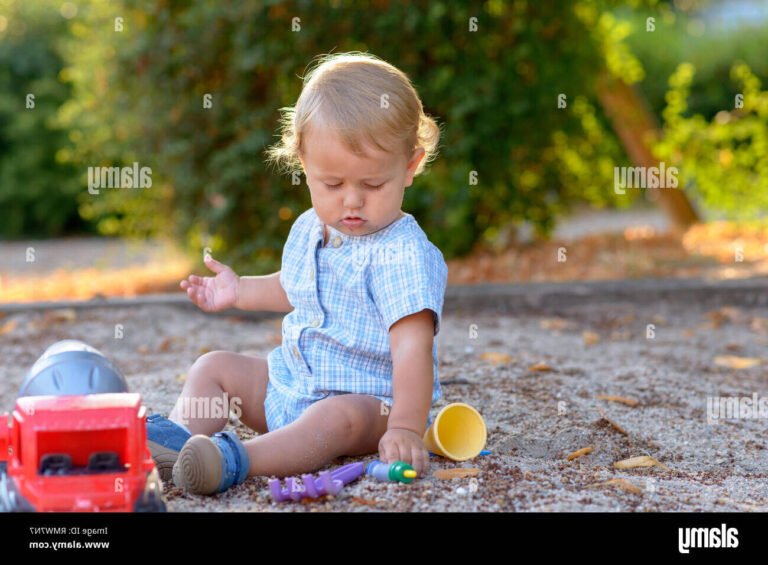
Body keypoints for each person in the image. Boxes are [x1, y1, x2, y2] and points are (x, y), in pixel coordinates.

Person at [146, 52, 447, 495]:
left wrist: (403, 425)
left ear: (409, 166)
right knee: (214, 368)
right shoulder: (311, 227)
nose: (351, 202)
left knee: (332, 419)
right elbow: (295, 287)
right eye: (332, 184)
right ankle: (178, 445)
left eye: (372, 185)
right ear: (303, 165)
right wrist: (240, 289)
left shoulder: (402, 253)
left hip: (369, 405)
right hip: (290, 385)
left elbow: (411, 349)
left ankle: (237, 459)